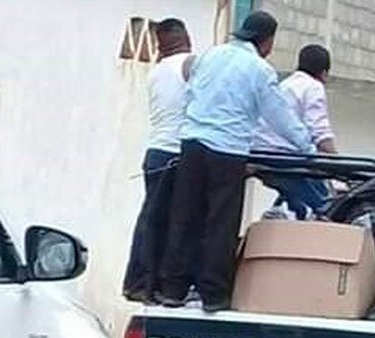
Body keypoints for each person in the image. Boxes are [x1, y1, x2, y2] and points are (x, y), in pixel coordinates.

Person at [158, 11, 315, 312]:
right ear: (267, 41)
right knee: (221, 222)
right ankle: (214, 294)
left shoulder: (209, 56)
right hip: (227, 151)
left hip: (191, 144)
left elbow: (191, 92)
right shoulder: (259, 69)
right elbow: (278, 114)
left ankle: (173, 289)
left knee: (184, 217)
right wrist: (307, 147)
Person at [122, 18, 192, 303]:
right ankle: (160, 285)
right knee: (174, 223)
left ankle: (139, 282)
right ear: (185, 38)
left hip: (156, 153)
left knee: (151, 219)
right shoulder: (191, 65)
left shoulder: (157, 72)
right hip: (177, 154)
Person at [254, 44, 337, 220]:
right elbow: (319, 130)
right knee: (327, 204)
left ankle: (281, 215)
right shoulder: (313, 87)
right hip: (286, 158)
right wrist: (338, 162)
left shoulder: (284, 85)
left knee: (297, 193)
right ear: (324, 73)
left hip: (260, 153)